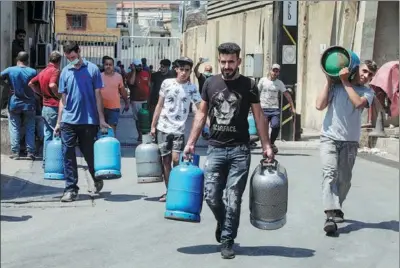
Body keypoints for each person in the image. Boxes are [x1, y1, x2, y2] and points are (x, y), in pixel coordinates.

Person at [183, 43, 274, 259]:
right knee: (212, 196)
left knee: (234, 197)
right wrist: (191, 142)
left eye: (231, 62)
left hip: (240, 150)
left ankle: (227, 240)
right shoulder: (209, 83)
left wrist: (266, 145)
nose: (226, 66)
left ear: (239, 62)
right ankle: (224, 223)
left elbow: (259, 116)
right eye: (223, 62)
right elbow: (201, 115)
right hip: (214, 148)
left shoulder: (249, 85)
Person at [316, 59, 377, 234]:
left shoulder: (368, 92)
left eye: (370, 75)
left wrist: (345, 82)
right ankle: (329, 215)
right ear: (357, 69)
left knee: (344, 180)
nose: (366, 76)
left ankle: (337, 206)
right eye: (364, 71)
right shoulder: (336, 87)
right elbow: (319, 105)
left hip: (350, 141)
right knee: (330, 173)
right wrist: (329, 81)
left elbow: (358, 103)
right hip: (329, 137)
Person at [54, 41, 111, 202]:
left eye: (73, 56)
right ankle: (71, 189)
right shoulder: (65, 72)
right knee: (68, 155)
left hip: (88, 120)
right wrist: (59, 122)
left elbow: (98, 96)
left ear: (79, 51)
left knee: (89, 154)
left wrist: (101, 119)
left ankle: (96, 177)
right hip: (68, 121)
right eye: (68, 57)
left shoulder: (92, 70)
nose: (71, 60)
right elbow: (62, 100)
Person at [151, 57, 202, 202]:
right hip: (163, 127)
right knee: (165, 160)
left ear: (190, 71)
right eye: (182, 70)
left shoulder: (192, 88)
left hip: (179, 130)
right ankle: (169, 191)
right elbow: (159, 105)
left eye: (187, 70)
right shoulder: (167, 83)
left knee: (176, 159)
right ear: (176, 70)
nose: (184, 73)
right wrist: (153, 125)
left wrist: (208, 124)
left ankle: (177, 188)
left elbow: (200, 109)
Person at [0, 51, 37, 160]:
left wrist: (7, 85)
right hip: (29, 104)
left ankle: (15, 152)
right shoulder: (33, 71)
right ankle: (30, 152)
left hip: (14, 103)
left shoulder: (11, 70)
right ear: (28, 60)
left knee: (14, 127)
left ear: (17, 59)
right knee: (30, 127)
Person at [28, 51, 62, 167]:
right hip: (54, 106)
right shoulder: (55, 71)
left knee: (47, 135)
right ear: (59, 61)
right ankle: (55, 162)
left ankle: (46, 162)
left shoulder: (43, 71)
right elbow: (52, 85)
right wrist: (59, 96)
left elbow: (31, 84)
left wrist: (41, 94)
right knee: (56, 134)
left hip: (45, 106)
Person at [257, 64, 295, 154]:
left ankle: (271, 142)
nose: (275, 72)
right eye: (273, 70)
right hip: (264, 108)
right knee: (264, 130)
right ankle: (266, 148)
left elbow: (287, 95)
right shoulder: (263, 81)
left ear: (278, 73)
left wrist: (292, 107)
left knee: (276, 125)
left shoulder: (279, 83)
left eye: (277, 71)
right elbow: (256, 92)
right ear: (270, 71)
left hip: (274, 109)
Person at [101, 56, 129, 134]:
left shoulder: (118, 77)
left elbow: (122, 91)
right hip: (101, 108)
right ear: (103, 65)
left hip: (114, 108)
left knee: (111, 129)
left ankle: (111, 145)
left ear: (113, 66)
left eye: (110, 64)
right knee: (102, 129)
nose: (108, 66)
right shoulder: (99, 76)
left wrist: (126, 103)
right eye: (106, 64)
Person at [127, 59, 151, 142]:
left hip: (145, 100)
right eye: (137, 66)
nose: (139, 67)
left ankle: (146, 134)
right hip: (135, 100)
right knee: (137, 119)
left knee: (146, 118)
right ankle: (140, 135)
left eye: (140, 65)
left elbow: (149, 85)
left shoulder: (146, 73)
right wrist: (133, 71)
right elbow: (132, 82)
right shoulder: (130, 74)